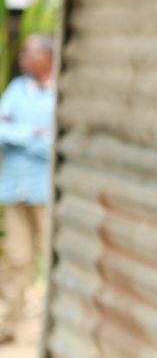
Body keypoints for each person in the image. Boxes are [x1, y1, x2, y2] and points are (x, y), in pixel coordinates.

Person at [0, 34, 56, 344]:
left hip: (46, 193)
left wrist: (16, 134)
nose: (23, 58)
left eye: (29, 52)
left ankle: (51, 328)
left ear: (47, 57)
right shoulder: (17, 90)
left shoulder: (57, 93)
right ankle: (8, 326)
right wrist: (33, 133)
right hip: (13, 188)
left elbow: (56, 144)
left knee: (52, 257)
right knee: (18, 259)